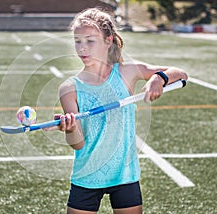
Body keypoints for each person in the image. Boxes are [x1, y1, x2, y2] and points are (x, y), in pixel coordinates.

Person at [49, 8, 188, 214]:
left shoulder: (127, 72)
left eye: (90, 41)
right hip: (87, 175)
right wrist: (70, 128)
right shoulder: (69, 88)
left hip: (125, 175)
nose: (82, 48)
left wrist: (159, 79)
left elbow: (180, 73)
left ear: (108, 41)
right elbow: (78, 144)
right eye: (78, 41)